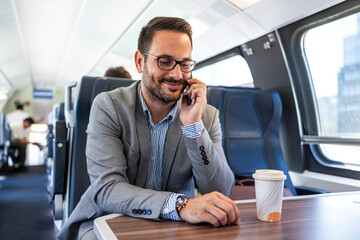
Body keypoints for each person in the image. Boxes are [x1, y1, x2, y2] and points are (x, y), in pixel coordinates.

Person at [58, 17, 240, 240]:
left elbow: (221, 189)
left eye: (185, 64)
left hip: (177, 227)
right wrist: (179, 205)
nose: (176, 74)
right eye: (165, 61)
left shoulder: (205, 116)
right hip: (108, 219)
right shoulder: (109, 106)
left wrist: (193, 126)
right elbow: (107, 189)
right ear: (139, 61)